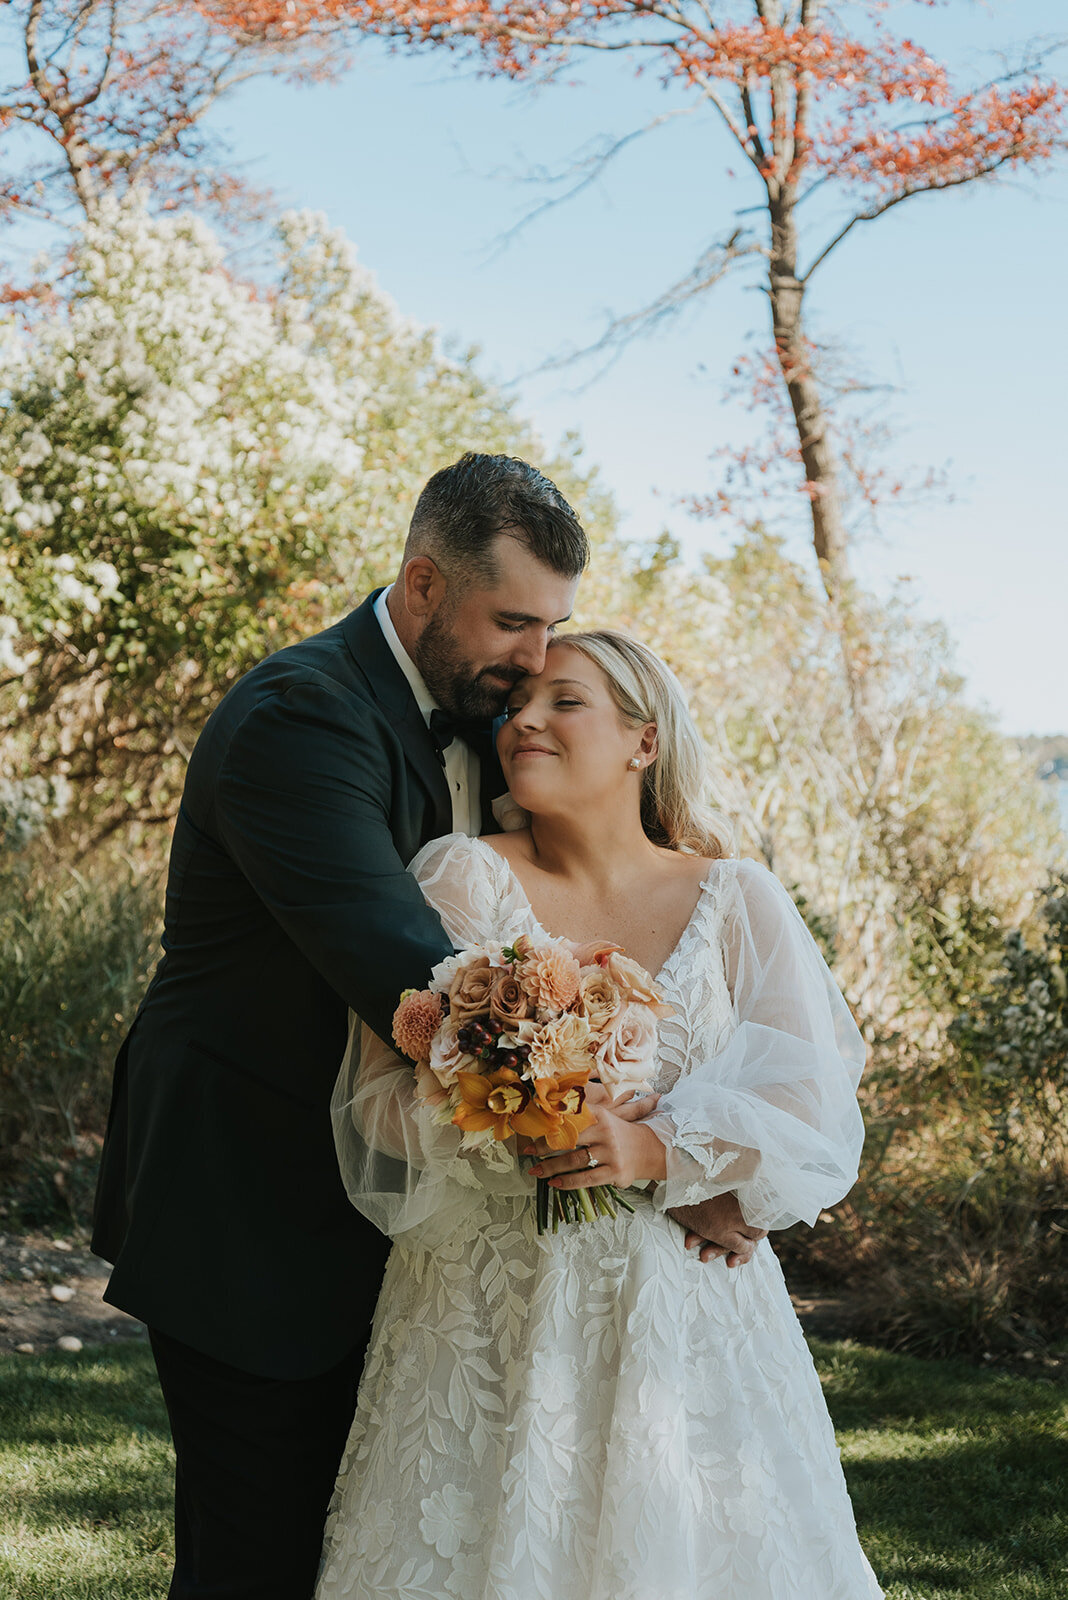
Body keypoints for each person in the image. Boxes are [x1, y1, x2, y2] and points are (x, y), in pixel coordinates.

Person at [90, 452, 592, 1600]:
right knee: (256, 1559)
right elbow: (418, 982)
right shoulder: (301, 718)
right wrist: (638, 1140)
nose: (537, 658)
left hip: (396, 1214)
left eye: (554, 626)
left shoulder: (488, 717)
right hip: (250, 1203)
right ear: (422, 585)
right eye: (513, 622)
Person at [319, 630, 883, 1600]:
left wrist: (666, 1153)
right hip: (496, 1317)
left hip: (691, 1321)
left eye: (563, 701)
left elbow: (811, 1101)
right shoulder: (462, 877)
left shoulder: (736, 896)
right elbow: (383, 1101)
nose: (522, 722)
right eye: (513, 706)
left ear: (644, 741)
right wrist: (540, 1120)